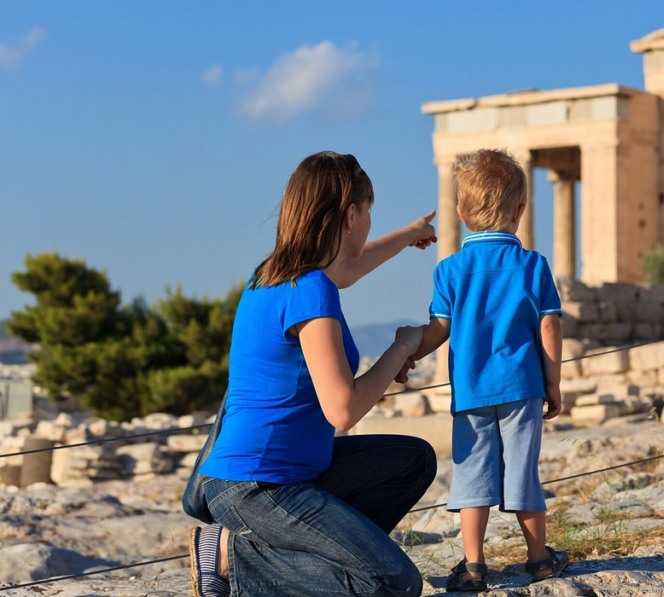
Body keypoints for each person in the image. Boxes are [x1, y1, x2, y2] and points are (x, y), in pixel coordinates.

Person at [189, 151, 439, 597]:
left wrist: (410, 235)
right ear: (351, 213)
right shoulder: (310, 291)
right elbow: (343, 410)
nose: (368, 223)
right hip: (257, 484)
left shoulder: (274, 275)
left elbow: (347, 269)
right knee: (392, 582)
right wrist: (400, 346)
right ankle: (231, 555)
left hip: (292, 473)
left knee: (412, 460)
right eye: (369, 211)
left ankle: (318, 559)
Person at [398, 148, 569, 592]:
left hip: (471, 392)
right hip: (522, 387)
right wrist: (554, 383)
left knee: (472, 475)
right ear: (520, 210)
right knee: (523, 471)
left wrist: (408, 353)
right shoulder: (533, 265)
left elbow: (439, 331)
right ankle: (539, 561)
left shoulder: (449, 270)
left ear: (460, 211)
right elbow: (548, 326)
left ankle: (473, 565)